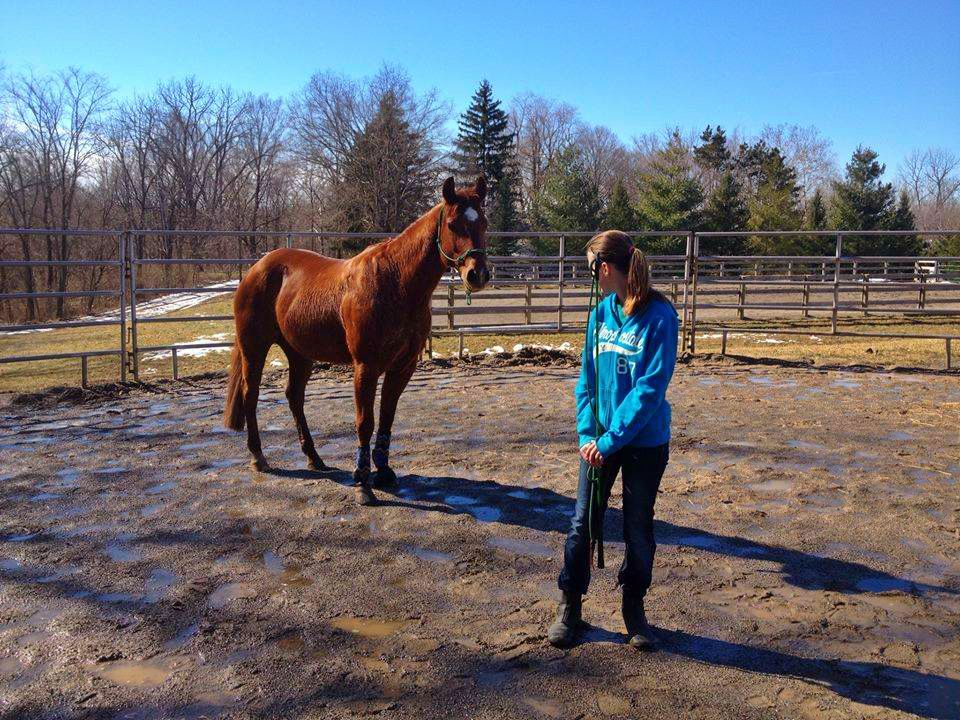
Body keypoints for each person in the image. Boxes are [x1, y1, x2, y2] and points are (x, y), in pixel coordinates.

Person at [547, 230, 679, 649]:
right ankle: (570, 604)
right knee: (581, 521)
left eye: (591, 270)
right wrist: (589, 433)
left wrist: (610, 441)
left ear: (605, 269)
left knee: (637, 525)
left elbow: (649, 391)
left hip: (643, 443)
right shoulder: (600, 314)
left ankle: (633, 606)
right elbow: (586, 379)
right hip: (599, 441)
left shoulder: (660, 316)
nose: (590, 277)